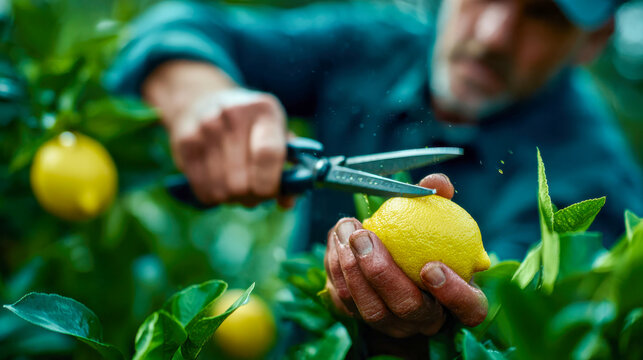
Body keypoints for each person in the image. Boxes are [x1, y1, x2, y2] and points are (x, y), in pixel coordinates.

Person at [105, 0, 642, 357]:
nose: (493, 33)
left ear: (593, 39)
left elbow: (512, 328)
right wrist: (203, 96)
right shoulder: (374, 47)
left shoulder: (598, 188)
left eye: (543, 14)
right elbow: (179, 22)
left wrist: (440, 327)